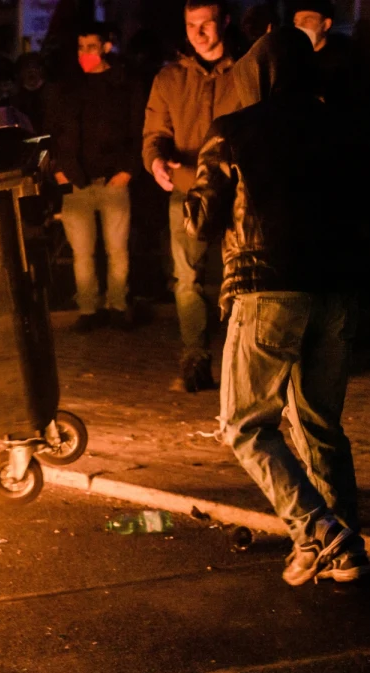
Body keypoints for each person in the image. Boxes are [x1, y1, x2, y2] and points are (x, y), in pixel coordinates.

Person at [183, 27, 370, 585]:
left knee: (244, 423)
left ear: (257, 75)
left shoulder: (234, 132)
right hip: (338, 292)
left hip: (266, 288)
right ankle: (346, 552)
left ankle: (318, 528)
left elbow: (202, 223)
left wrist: (190, 194)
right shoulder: (343, 129)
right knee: (320, 425)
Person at [143, 0, 241, 392]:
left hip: (238, 191)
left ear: (225, 23)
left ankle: (242, 360)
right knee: (188, 279)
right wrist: (155, 162)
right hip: (187, 190)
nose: (198, 34)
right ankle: (195, 360)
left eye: (207, 24)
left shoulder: (246, 73)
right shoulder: (170, 79)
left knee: (241, 278)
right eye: (191, 25)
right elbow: (155, 132)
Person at [45, 22, 143, 332]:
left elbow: (139, 128)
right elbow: (55, 131)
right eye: (80, 47)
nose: (85, 53)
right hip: (78, 180)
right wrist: (60, 168)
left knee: (117, 250)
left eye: (91, 47)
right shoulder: (69, 88)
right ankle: (88, 309)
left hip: (113, 178)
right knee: (82, 253)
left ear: (105, 47)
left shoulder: (124, 85)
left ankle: (117, 305)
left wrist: (128, 169)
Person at [291, 0, 370, 163]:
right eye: (296, 22)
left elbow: (362, 116)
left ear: (326, 24)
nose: (300, 27)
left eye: (308, 20)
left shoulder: (349, 62)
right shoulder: (294, 60)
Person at [11, 52, 47, 132]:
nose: (30, 71)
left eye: (34, 67)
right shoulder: (15, 101)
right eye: (26, 67)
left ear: (41, 70)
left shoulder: (51, 96)